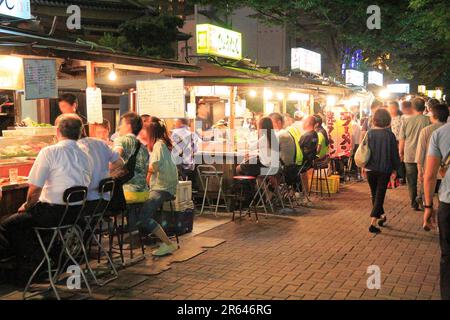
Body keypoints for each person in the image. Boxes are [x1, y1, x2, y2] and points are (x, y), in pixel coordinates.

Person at [0, 114, 92, 260]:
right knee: (22, 222)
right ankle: (43, 257)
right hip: (76, 212)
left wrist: (27, 205)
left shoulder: (50, 152)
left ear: (57, 132)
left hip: (52, 214)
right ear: (80, 133)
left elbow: (35, 189)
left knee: (6, 224)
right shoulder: (86, 154)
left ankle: (35, 260)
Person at [139, 117, 179, 256]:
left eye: (145, 130)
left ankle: (167, 244)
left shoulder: (158, 145)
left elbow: (153, 167)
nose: (143, 133)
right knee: (142, 210)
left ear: (151, 132)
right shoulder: (163, 144)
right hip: (166, 186)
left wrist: (142, 176)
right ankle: (159, 240)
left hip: (162, 188)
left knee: (143, 216)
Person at [423, 122, 450, 300]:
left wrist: (428, 206)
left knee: (448, 256)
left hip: (449, 203)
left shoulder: (440, 134)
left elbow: (430, 175)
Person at [363, 109, 400, 234]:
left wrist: (363, 166)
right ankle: (373, 223)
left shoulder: (369, 133)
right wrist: (396, 170)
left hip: (370, 168)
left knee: (375, 194)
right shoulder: (390, 135)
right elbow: (394, 155)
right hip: (384, 169)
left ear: (375, 119)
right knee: (379, 195)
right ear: (387, 120)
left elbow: (364, 152)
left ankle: (382, 216)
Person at [416, 104, 449, 220]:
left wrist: (420, 170)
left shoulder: (428, 131)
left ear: (434, 116)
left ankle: (437, 218)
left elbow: (421, 153)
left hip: (433, 172)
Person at [399, 97, 431, 210]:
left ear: (412, 107)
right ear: (424, 107)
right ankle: (420, 197)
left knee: (411, 180)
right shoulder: (429, 120)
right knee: (425, 178)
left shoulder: (406, 121)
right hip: (425, 155)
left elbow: (402, 139)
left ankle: (413, 203)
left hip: (410, 154)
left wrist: (400, 152)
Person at [113, 112, 150, 204]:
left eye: (121, 124)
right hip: (144, 193)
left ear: (128, 126)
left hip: (126, 192)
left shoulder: (121, 140)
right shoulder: (143, 146)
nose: (119, 127)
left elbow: (116, 158)